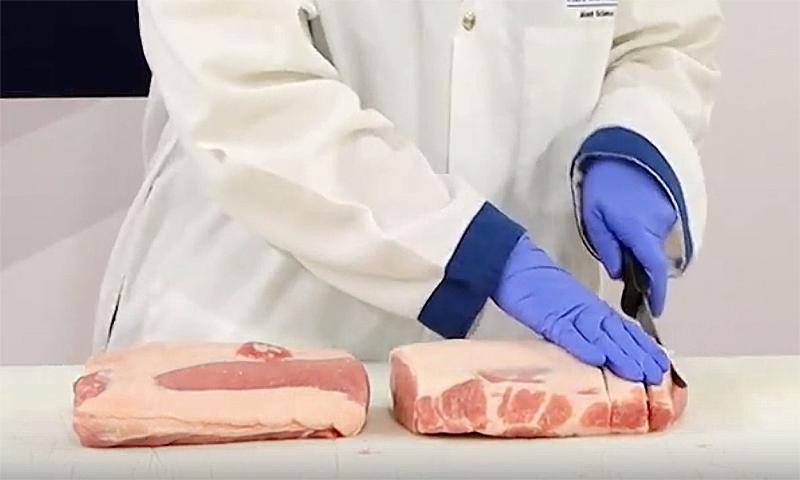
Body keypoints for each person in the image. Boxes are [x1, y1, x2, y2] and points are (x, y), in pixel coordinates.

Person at [95, 0, 721, 385]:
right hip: (258, 334)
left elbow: (663, 37)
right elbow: (246, 90)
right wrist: (470, 252)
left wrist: (635, 135)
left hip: (524, 367)